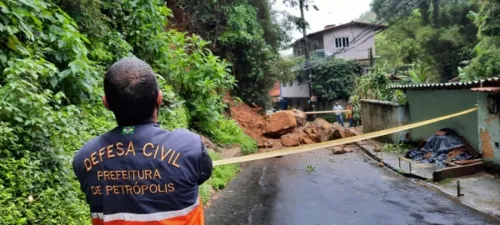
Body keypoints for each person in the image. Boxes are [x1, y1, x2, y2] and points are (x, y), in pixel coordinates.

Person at [72, 57, 213, 225]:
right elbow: (202, 173)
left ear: (106, 103)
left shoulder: (84, 159)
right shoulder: (190, 147)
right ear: (159, 99)